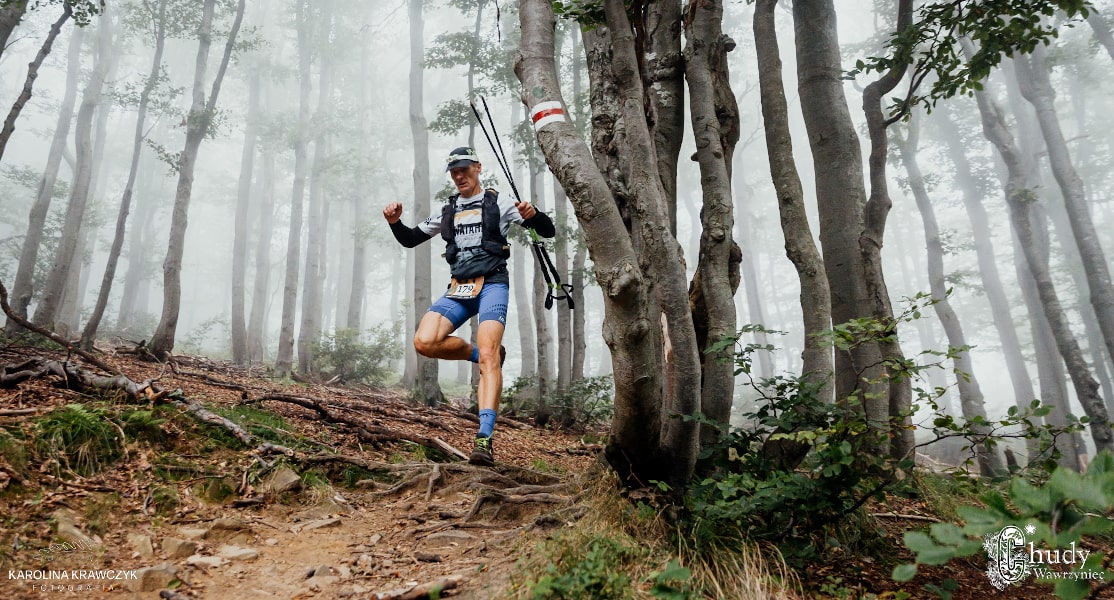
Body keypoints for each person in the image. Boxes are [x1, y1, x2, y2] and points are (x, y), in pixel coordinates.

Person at [383, 146, 556, 466]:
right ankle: (481, 355)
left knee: (490, 354)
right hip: (459, 288)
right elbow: (409, 239)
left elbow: (547, 230)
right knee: (424, 342)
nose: (459, 176)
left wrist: (535, 215)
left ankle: (484, 439)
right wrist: (395, 222)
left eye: (464, 169)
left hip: (492, 283)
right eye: (454, 171)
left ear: (477, 168)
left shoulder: (499, 202)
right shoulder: (447, 211)